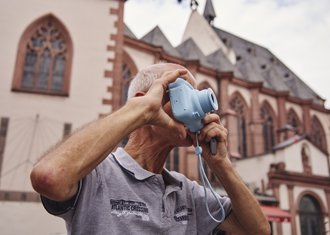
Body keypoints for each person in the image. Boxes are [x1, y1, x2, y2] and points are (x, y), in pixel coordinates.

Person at [30, 63, 270, 235]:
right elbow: (49, 177)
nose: (199, 107)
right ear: (146, 100)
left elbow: (258, 231)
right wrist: (142, 111)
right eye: (185, 94)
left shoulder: (187, 192)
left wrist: (221, 164)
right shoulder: (97, 174)